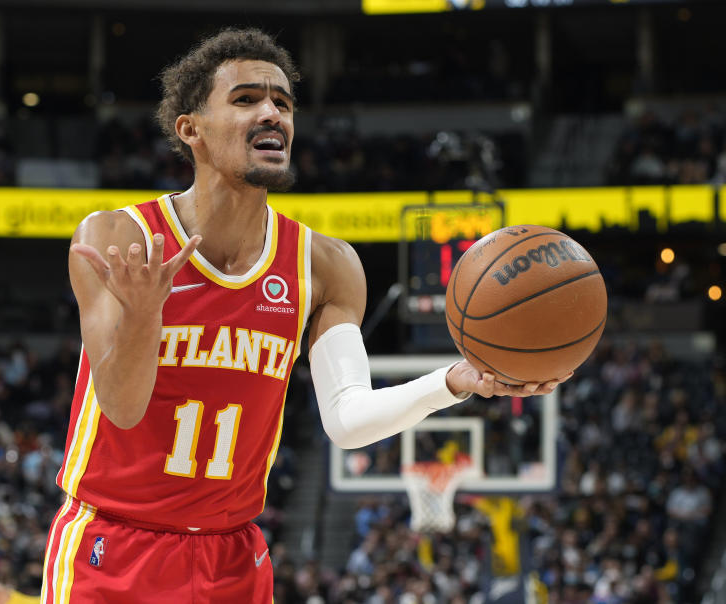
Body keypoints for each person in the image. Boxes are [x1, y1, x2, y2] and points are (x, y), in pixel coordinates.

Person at [38, 27, 567, 604]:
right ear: (191, 129)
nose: (272, 113)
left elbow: (347, 419)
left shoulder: (326, 265)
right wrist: (144, 315)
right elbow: (119, 406)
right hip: (114, 545)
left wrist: (453, 381)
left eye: (283, 103)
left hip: (232, 554)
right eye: (246, 99)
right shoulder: (118, 238)